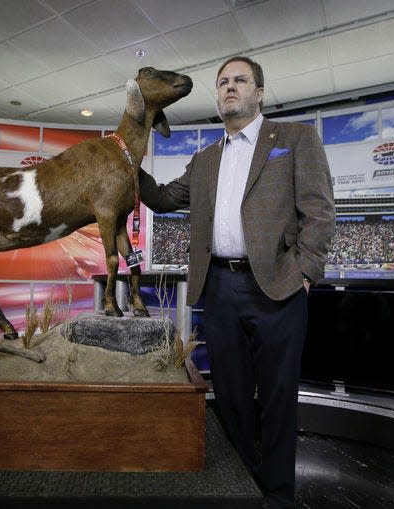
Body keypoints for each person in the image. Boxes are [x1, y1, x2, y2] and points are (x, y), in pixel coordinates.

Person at [138, 56, 335, 508]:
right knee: (230, 396)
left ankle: (279, 494)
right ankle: (246, 484)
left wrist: (304, 273)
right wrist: (128, 163)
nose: (230, 87)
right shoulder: (205, 159)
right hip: (220, 290)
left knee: (278, 396)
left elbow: (320, 212)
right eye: (223, 82)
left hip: (278, 288)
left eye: (240, 80)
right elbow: (165, 199)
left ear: (259, 93)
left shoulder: (295, 139)